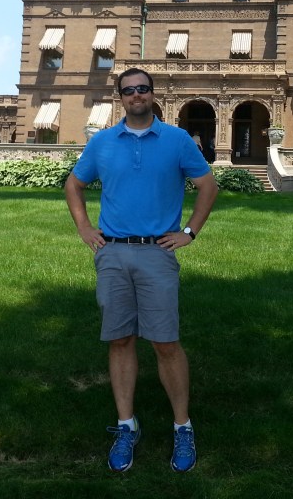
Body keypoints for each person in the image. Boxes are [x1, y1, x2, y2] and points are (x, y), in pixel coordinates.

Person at [65, 67, 218, 474]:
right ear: (120, 98)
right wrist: (84, 227)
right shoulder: (102, 143)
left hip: (157, 253)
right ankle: (125, 424)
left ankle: (182, 426)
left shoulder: (176, 140)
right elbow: (74, 184)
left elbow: (207, 184)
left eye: (143, 89)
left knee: (165, 342)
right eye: (129, 90)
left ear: (153, 95)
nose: (136, 95)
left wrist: (189, 231)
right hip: (112, 253)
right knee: (119, 339)